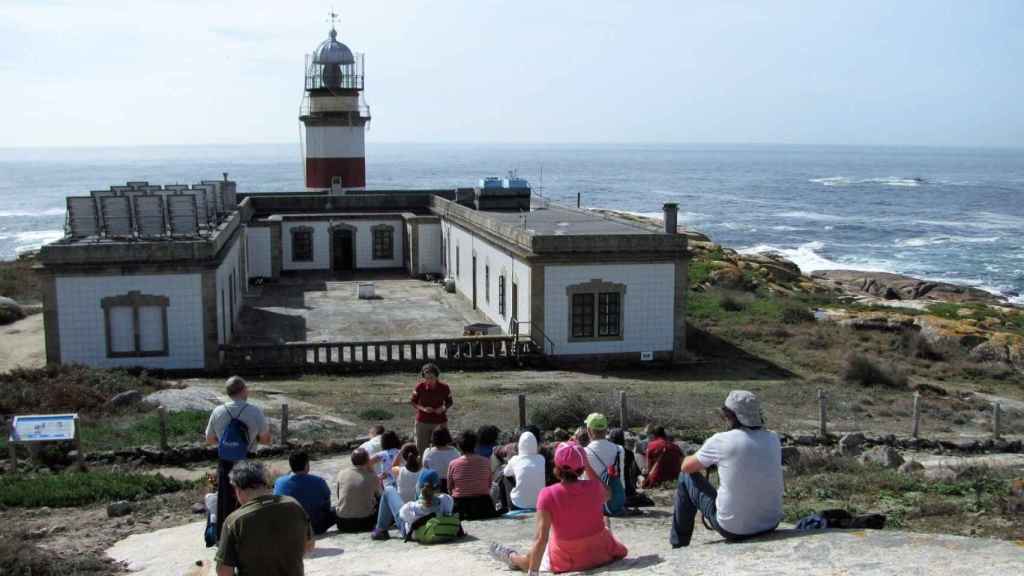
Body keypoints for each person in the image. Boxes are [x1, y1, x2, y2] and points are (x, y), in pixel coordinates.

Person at [489, 442, 628, 574]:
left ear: (556, 465)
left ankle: (511, 556)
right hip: (600, 554)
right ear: (582, 467)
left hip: (568, 559)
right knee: (604, 520)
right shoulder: (595, 487)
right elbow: (608, 494)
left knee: (529, 559)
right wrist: (587, 466)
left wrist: (533, 572)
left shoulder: (548, 494)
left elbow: (541, 539)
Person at [670, 390, 784, 548]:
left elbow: (686, 467)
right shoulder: (773, 438)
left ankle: (679, 544)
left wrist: (698, 456)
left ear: (730, 415)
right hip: (771, 523)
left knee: (686, 476)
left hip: (733, 529)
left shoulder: (721, 440)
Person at [215, 461, 315, 576]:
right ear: (265, 483)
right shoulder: (294, 505)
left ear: (237, 490)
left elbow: (224, 572)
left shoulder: (235, 521)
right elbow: (309, 545)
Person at [205, 376, 271, 540]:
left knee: (226, 498)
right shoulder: (254, 411)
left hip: (226, 460)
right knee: (250, 497)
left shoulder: (218, 411)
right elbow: (265, 440)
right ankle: (249, 535)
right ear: (243, 390)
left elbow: (210, 439)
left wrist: (228, 444)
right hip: (247, 460)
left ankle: (225, 537)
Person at [372, 469, 455, 541]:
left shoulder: (410, 507)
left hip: (412, 533)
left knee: (389, 490)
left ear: (419, 487)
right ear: (438, 487)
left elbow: (403, 516)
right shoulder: (447, 500)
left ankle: (380, 530)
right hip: (437, 528)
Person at [273, 450, 334, 535]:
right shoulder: (319, 481)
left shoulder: (279, 482)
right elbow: (327, 504)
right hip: (316, 528)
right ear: (306, 465)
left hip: (291, 529)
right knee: (337, 510)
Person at [581, 413, 626, 516]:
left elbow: (583, 479)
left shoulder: (584, 452)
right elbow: (621, 477)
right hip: (616, 502)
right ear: (606, 430)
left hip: (592, 503)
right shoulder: (619, 449)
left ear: (589, 430)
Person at [447, 429, 498, 520]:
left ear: (459, 446)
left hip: (461, 507)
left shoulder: (453, 464)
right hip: (483, 505)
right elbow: (489, 484)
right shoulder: (486, 461)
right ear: (475, 445)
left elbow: (450, 488)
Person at [335, 449, 382, 533]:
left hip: (342, 523)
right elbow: (379, 496)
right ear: (367, 461)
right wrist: (372, 470)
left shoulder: (341, 473)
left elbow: (339, 495)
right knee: (382, 502)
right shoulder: (372, 476)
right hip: (365, 523)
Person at [411, 363, 453, 453]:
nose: (429, 380)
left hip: (439, 422)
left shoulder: (445, 387)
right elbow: (413, 402)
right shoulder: (419, 387)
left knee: (441, 449)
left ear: (436, 376)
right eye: (426, 378)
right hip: (423, 422)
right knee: (421, 448)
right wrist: (423, 409)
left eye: (431, 378)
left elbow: (450, 402)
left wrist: (443, 408)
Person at [501, 431, 546, 511]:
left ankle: (505, 506)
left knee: (505, 477)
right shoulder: (541, 459)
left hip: (518, 504)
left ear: (520, 445)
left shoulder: (515, 459)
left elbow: (506, 473)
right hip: (539, 502)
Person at [423, 427, 461, 493]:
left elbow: (425, 468)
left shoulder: (428, 452)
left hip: (432, 486)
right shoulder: (455, 452)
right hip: (451, 486)